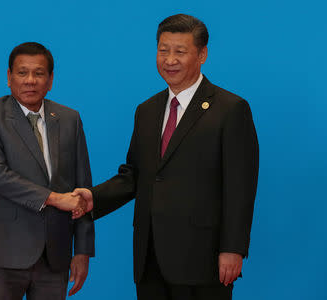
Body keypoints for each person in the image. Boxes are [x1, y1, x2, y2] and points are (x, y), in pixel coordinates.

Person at [73, 14, 259, 300]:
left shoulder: (230, 109)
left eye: (180, 51)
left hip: (203, 257)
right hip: (150, 256)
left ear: (202, 54)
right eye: (163, 50)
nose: (169, 59)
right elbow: (135, 175)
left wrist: (233, 248)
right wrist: (93, 198)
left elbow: (240, 186)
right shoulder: (146, 110)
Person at [0, 42, 94, 300]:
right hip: (5, 253)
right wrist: (56, 199)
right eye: (22, 73)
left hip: (55, 255)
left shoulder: (70, 119)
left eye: (38, 74)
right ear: (8, 77)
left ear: (50, 80)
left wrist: (82, 250)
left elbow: (83, 187)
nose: (30, 81)